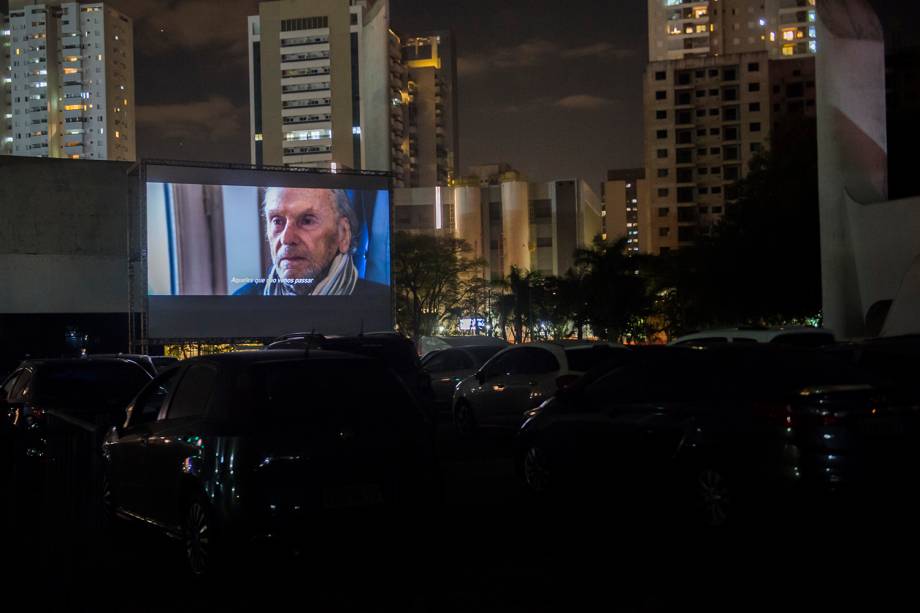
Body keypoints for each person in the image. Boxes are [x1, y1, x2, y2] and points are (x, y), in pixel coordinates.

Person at [233, 187, 386, 298]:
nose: (287, 239)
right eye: (278, 221)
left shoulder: (378, 303)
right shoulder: (240, 302)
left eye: (307, 221)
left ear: (343, 234)